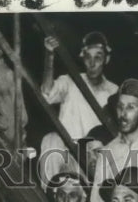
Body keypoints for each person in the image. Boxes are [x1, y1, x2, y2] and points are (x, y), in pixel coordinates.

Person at [39, 32, 119, 187]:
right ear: (82, 58)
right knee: (51, 139)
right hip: (67, 151)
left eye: (98, 57)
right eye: (88, 57)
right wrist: (49, 55)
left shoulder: (114, 91)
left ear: (106, 59)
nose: (92, 62)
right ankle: (49, 195)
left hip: (91, 159)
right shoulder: (70, 81)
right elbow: (47, 94)